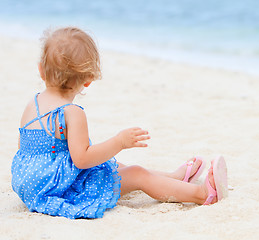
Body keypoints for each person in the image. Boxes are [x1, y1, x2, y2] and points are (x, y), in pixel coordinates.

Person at [11, 27, 228, 219]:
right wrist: (119, 142)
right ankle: (201, 195)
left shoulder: (33, 103)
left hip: (30, 184)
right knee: (137, 174)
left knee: (110, 165)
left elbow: (23, 147)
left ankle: (173, 178)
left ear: (41, 69)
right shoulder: (71, 113)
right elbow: (82, 159)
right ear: (88, 79)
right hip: (58, 189)